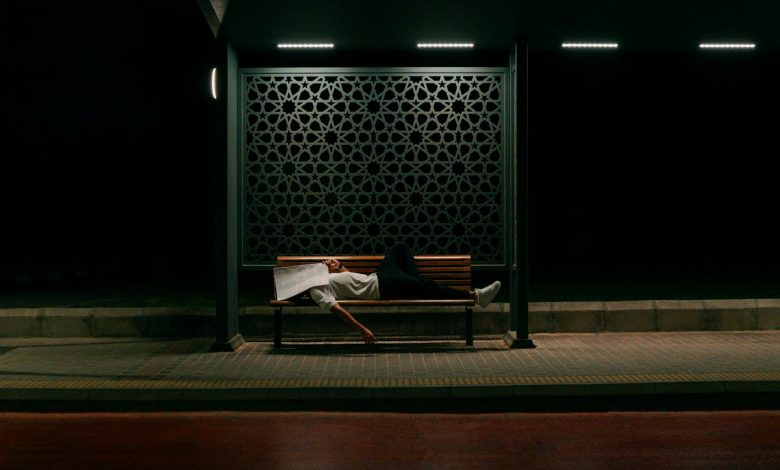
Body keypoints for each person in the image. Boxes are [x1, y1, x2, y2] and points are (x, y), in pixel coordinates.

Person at [308, 242, 502, 344]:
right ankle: (476, 296)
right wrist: (362, 330)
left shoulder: (321, 278)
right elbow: (338, 309)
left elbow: (352, 281)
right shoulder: (316, 291)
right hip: (382, 287)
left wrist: (339, 266)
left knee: (400, 248)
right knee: (427, 287)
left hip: (378, 276)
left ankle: (416, 284)